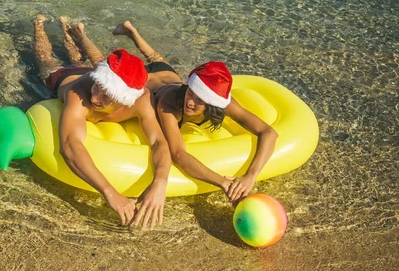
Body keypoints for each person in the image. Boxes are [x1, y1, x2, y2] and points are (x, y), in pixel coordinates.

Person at [112, 21, 278, 205]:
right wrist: (223, 183)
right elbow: (178, 155)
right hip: (149, 83)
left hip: (168, 74)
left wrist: (251, 175)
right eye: (191, 92)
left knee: (155, 58)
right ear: (189, 86)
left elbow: (269, 132)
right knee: (97, 61)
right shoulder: (169, 105)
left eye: (200, 99)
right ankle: (79, 35)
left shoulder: (223, 102)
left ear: (213, 104)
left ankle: (132, 32)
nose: (190, 101)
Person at [32, 15, 171, 230]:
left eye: (106, 96)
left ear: (125, 98)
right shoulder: (80, 93)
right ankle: (39, 24)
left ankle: (69, 28)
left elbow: (159, 143)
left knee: (77, 57)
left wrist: (160, 182)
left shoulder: (141, 101)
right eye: (97, 89)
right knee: (46, 59)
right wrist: (110, 193)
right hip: (61, 77)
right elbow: (69, 147)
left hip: (96, 74)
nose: (95, 98)